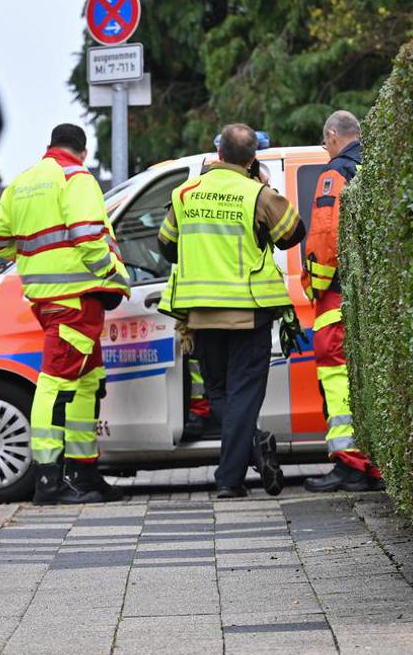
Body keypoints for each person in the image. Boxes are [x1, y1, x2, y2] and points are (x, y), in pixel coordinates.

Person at [0, 123, 129, 504]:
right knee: (56, 384)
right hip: (76, 298)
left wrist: (29, 256)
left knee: (85, 381)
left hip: (47, 300)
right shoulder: (75, 176)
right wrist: (109, 273)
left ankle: (84, 473)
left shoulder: (23, 182)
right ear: (83, 149)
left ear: (50, 145)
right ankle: (49, 480)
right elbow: (86, 233)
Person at [158, 123, 305, 498]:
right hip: (248, 311)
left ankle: (249, 450)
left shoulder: (184, 194)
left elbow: (166, 247)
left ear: (218, 155)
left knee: (220, 393)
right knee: (243, 394)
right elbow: (293, 233)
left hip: (201, 314)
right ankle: (231, 477)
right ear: (252, 159)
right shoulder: (256, 194)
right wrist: (265, 189)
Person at [301, 110, 386, 493]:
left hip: (337, 293)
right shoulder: (378, 165)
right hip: (376, 289)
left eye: (325, 143)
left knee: (336, 372)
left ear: (333, 135)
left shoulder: (335, 173)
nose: (325, 149)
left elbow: (323, 235)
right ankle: (375, 463)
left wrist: (315, 285)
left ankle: (351, 463)